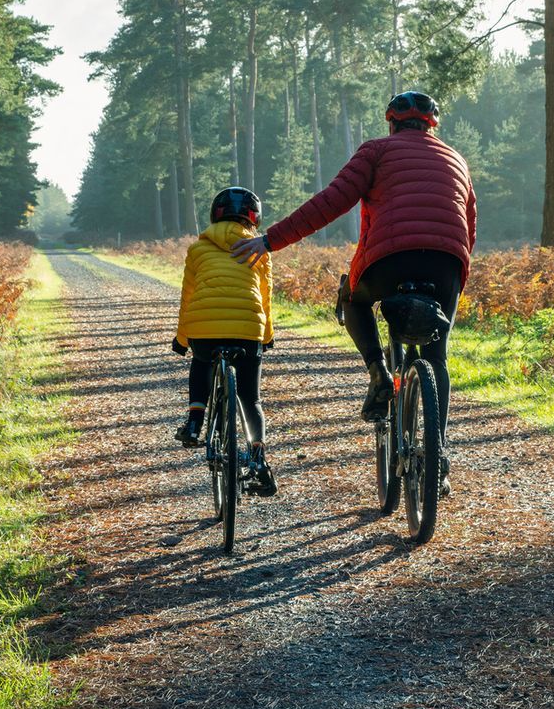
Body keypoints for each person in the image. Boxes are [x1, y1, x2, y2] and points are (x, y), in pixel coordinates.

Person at [232, 91, 474, 490]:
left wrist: (270, 240)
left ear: (391, 122)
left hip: (388, 260)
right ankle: (438, 454)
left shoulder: (376, 151)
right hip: (446, 262)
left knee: (354, 298)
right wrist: (455, 275)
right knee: (436, 355)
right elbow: (469, 222)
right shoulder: (456, 158)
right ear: (432, 125)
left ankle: (379, 374)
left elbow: (332, 201)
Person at [173, 186, 278, 496]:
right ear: (254, 217)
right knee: (250, 399)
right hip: (248, 331)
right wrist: (267, 336)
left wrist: (181, 339)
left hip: (203, 329)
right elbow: (266, 297)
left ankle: (194, 421)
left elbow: (187, 296)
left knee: (201, 360)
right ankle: (258, 459)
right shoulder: (259, 248)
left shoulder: (197, 249)